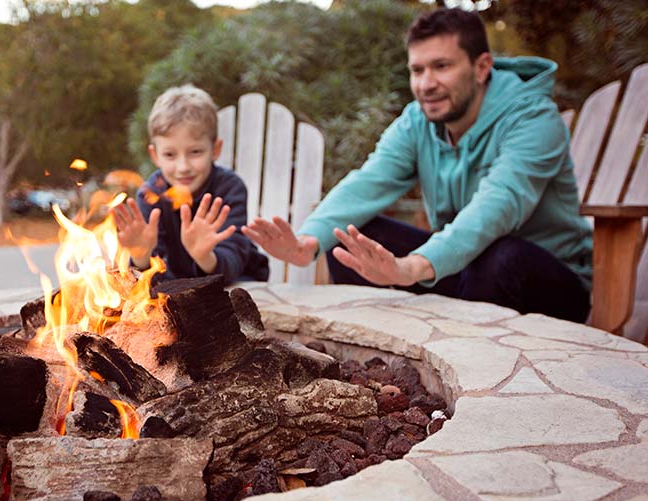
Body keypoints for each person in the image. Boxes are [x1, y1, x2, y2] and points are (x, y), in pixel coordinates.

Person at [242, 8, 592, 322]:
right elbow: (369, 181)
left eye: (442, 66)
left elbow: (498, 205)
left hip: (548, 284)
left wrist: (412, 266)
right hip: (465, 271)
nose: (426, 84)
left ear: (482, 67)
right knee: (349, 238)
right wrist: (307, 243)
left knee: (501, 255)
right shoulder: (417, 122)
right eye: (417, 70)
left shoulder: (534, 119)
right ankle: (378, 363)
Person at [113, 84, 269, 284]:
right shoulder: (151, 195)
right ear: (155, 155)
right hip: (179, 291)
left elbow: (234, 260)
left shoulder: (229, 188)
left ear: (215, 149)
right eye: (170, 154)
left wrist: (204, 256)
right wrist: (141, 256)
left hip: (236, 287)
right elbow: (150, 278)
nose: (183, 167)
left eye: (195, 152)